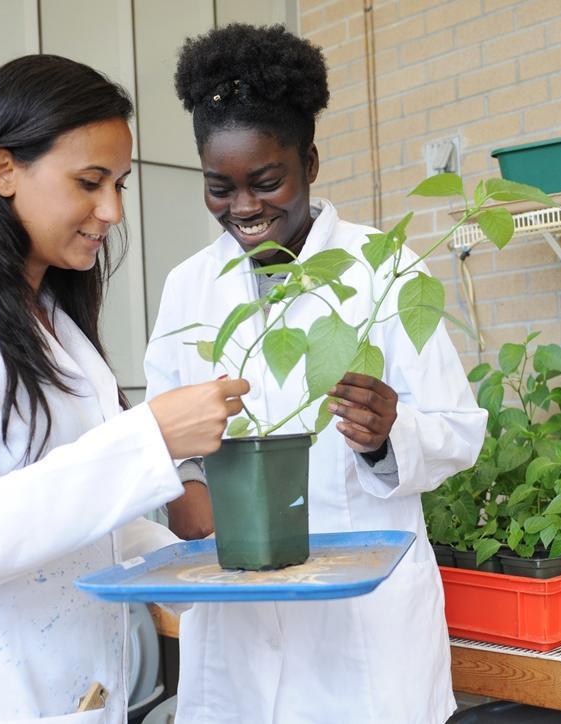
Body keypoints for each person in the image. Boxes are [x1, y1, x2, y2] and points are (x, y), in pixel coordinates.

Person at [0, 54, 248, 724]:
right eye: (90, 182)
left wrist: (206, 569)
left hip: (72, 701)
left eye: (118, 183)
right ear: (3, 170)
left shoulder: (57, 329)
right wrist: (148, 438)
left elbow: (91, 530)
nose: (112, 210)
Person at [144, 25, 487, 724]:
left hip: (360, 640)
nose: (243, 208)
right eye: (220, 188)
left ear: (310, 162)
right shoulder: (189, 287)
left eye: (265, 181)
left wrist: (387, 435)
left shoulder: (384, 271)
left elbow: (457, 432)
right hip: (234, 618)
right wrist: (182, 487)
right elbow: (166, 426)